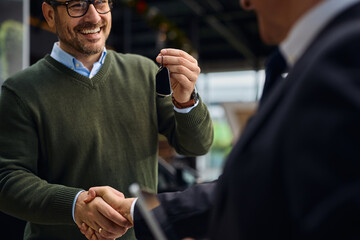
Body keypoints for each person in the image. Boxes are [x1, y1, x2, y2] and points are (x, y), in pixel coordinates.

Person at [80, 0, 360, 239]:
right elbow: (253, 190)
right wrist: (135, 209)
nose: (245, 3)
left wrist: (186, 101)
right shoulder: (318, 62)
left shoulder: (345, 56)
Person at [0, 0, 214, 239]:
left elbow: (197, 145)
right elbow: (7, 179)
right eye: (77, 5)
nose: (94, 17)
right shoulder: (20, 91)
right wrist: (75, 205)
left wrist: (186, 100)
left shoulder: (145, 72)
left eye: (101, 2)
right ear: (50, 14)